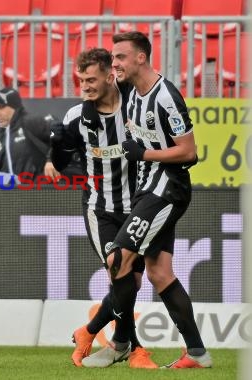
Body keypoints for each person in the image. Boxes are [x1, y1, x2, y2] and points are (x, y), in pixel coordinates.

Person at [82, 31, 210, 369]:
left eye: (121, 57)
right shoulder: (129, 91)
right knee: (159, 273)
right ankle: (197, 353)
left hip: (167, 189)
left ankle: (105, 336)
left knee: (118, 262)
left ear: (141, 57)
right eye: (113, 58)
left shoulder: (166, 96)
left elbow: (190, 152)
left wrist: (145, 153)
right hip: (146, 190)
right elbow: (96, 89)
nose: (115, 64)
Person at [51, 48, 157, 369]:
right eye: (81, 80)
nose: (84, 86)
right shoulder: (75, 118)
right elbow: (59, 160)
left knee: (132, 284)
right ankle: (134, 349)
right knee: (118, 267)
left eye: (91, 79)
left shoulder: (136, 106)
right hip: (101, 209)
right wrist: (54, 152)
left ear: (110, 75)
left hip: (136, 207)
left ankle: (93, 332)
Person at [0, 87, 80, 182]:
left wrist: (52, 159)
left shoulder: (30, 121)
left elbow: (60, 130)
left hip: (39, 191)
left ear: (14, 106)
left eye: (0, 107)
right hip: (11, 194)